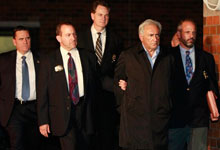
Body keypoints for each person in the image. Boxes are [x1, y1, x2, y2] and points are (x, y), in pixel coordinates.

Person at [114, 19, 173, 150]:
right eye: (151, 35)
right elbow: (117, 83)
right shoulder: (128, 56)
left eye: (157, 35)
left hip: (159, 122)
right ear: (141, 37)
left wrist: (167, 106)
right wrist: (126, 106)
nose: (155, 39)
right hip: (135, 123)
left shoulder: (168, 57)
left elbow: (172, 85)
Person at [37, 22, 96, 150]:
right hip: (62, 114)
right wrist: (43, 120)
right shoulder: (49, 60)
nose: (73, 37)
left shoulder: (87, 56)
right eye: (68, 35)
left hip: (85, 112)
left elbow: (95, 84)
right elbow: (42, 92)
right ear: (59, 38)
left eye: (74, 34)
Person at [77, 1, 123, 150]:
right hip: (85, 98)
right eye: (100, 14)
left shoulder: (116, 38)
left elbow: (119, 67)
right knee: (86, 139)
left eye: (106, 15)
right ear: (92, 15)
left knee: (106, 139)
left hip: (107, 99)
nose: (103, 18)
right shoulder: (79, 38)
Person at [168, 19, 219, 150]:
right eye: (187, 32)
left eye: (194, 33)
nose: (191, 36)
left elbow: (212, 86)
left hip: (199, 119)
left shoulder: (206, 58)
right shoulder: (168, 57)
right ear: (179, 34)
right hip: (175, 119)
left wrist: (215, 109)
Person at [0, 26, 41, 150]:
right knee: (16, 144)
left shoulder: (42, 59)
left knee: (34, 145)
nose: (25, 42)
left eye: (27, 38)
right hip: (14, 109)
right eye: (21, 39)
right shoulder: (3, 60)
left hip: (35, 109)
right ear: (14, 41)